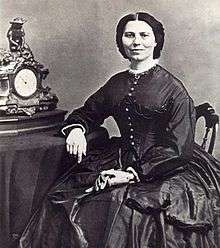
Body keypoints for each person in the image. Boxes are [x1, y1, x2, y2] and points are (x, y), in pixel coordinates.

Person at [19, 12, 220, 247]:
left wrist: (132, 173)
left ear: (156, 41)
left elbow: (178, 148)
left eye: (144, 35)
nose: (136, 42)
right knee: (72, 199)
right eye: (129, 35)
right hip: (120, 156)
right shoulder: (116, 83)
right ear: (120, 40)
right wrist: (76, 129)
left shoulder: (174, 89)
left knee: (133, 213)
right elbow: (86, 112)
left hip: (167, 166)